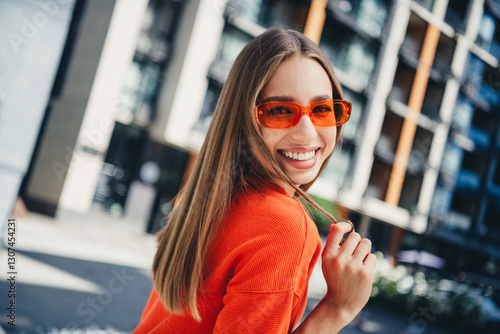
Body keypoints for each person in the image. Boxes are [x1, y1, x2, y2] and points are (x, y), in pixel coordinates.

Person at [134, 27, 376, 333]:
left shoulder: (207, 202)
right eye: (278, 110)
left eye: (322, 109)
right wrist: (337, 309)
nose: (306, 131)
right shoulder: (283, 225)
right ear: (245, 120)